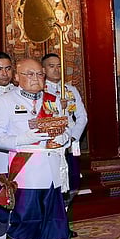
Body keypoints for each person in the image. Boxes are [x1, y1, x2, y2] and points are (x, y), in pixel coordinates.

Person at [0, 58, 70, 239]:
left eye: (40, 75)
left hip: (53, 172)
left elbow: (65, 130)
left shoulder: (53, 101)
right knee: (27, 222)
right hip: (25, 173)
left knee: (56, 222)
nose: (36, 79)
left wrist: (63, 139)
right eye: (30, 74)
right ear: (17, 77)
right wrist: (23, 140)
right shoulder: (5, 102)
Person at [41, 53, 88, 217]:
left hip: (70, 143)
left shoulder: (70, 90)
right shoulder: (40, 91)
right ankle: (54, 219)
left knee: (73, 180)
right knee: (54, 182)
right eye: (51, 66)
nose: (56, 70)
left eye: (59, 66)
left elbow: (82, 117)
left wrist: (73, 137)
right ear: (43, 69)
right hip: (51, 144)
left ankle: (64, 216)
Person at [0, 51, 22, 239]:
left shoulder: (19, 93)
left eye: (7, 68)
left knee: (17, 206)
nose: (4, 73)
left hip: (18, 159)